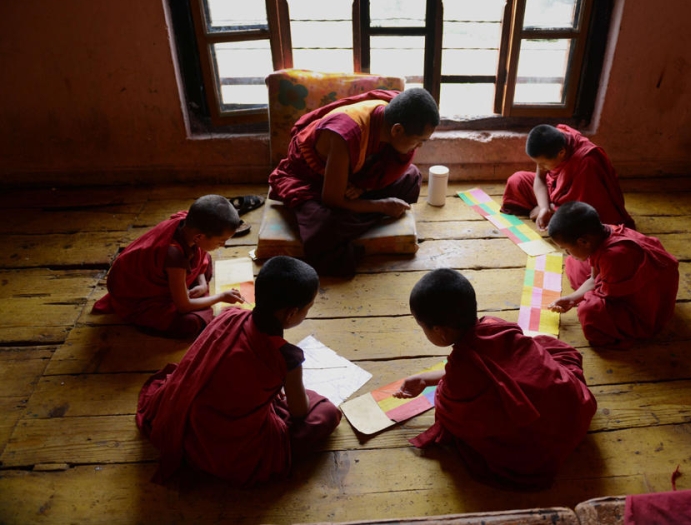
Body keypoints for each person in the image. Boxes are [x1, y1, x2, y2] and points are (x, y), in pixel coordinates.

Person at [135, 256, 342, 486]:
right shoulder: (287, 357)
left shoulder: (229, 316)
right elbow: (300, 411)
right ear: (291, 313)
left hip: (182, 411)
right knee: (326, 412)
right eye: (309, 307)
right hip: (227, 448)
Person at [394, 268, 597, 489]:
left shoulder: (462, 368)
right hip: (574, 410)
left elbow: (451, 410)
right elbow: (488, 366)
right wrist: (425, 379)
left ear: (440, 331)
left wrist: (438, 388)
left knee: (445, 409)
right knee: (545, 347)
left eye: (421, 327)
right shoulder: (495, 325)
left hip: (542, 444)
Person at [268, 87, 440, 277]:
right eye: (419, 141)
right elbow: (331, 199)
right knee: (324, 228)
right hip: (311, 177)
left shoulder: (394, 108)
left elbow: (387, 161)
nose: (420, 146)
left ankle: (353, 215)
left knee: (412, 177)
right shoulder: (346, 134)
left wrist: (363, 186)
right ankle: (356, 217)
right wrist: (382, 206)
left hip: (352, 173)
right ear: (397, 130)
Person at [501, 124, 635, 289]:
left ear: (562, 153)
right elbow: (540, 179)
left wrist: (552, 209)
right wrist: (544, 207)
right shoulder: (555, 142)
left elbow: (583, 212)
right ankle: (547, 209)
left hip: (579, 206)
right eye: (537, 163)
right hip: (557, 192)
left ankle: (551, 211)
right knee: (517, 180)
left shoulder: (586, 163)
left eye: (543, 163)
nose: (540, 167)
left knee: (580, 267)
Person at [92, 195, 245, 339]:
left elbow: (202, 255)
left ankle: (187, 291)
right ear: (199, 237)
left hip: (170, 274)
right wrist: (220, 297)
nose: (223, 245)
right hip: (138, 296)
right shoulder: (174, 255)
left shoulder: (185, 223)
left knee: (207, 259)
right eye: (221, 241)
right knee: (191, 323)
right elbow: (184, 306)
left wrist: (203, 284)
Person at [547, 201, 679, 348]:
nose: (566, 252)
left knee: (589, 311)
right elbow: (593, 278)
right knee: (574, 263)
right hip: (621, 275)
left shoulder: (614, 256)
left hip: (649, 306)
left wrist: (586, 300)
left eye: (566, 248)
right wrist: (572, 299)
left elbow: (608, 297)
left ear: (583, 242)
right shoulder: (604, 231)